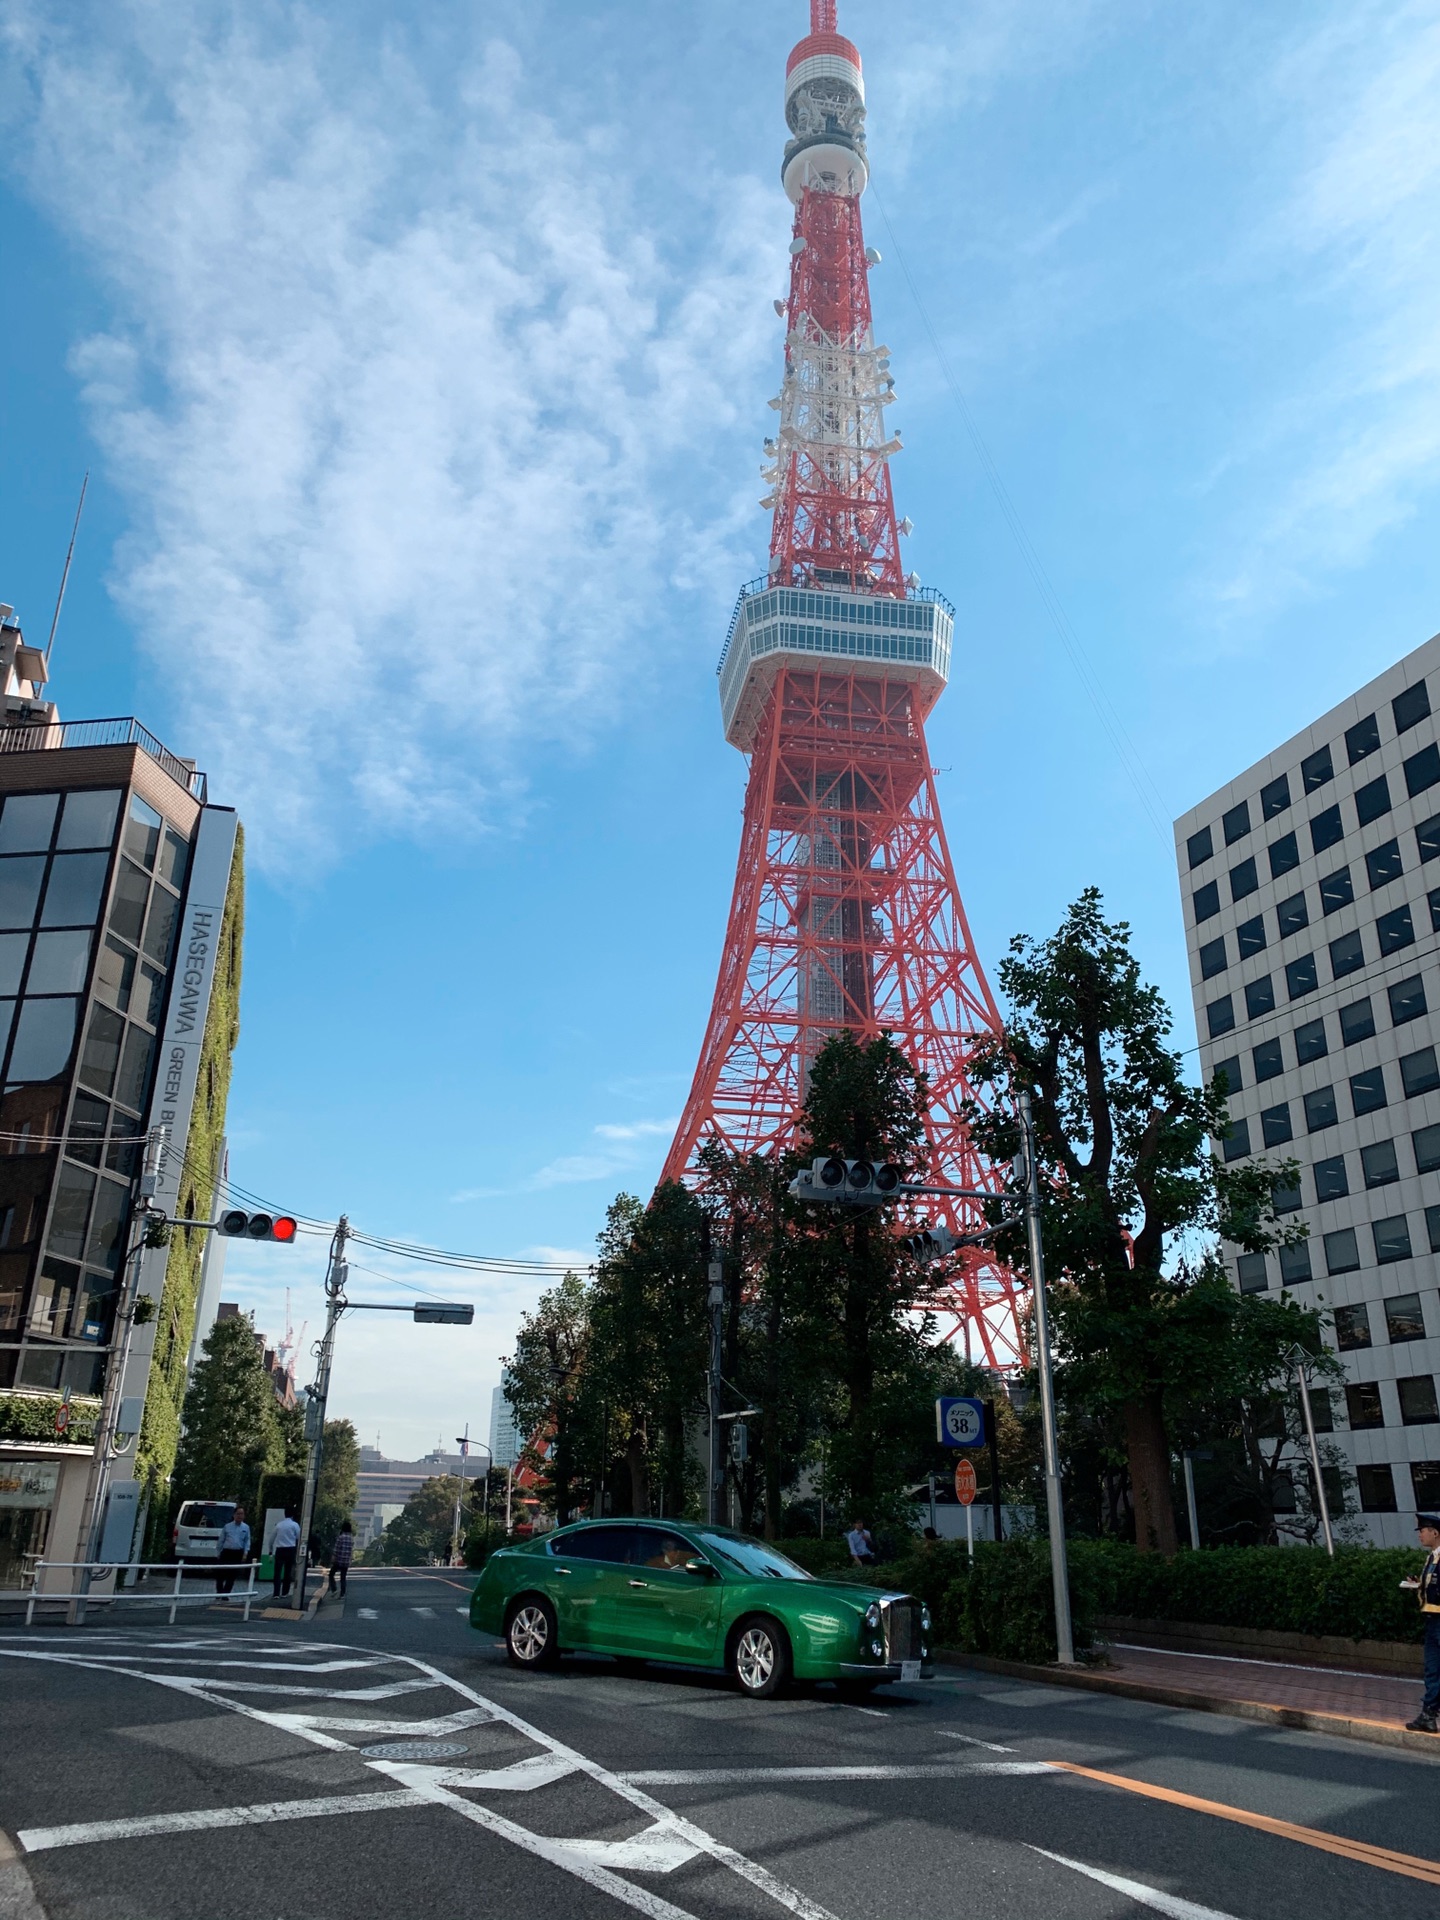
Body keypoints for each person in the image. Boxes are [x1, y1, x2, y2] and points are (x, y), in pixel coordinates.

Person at [1401, 1511, 1440, 1733]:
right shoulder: (1432, 1557)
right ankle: (1428, 1715)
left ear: (1435, 1533)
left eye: (1423, 1531)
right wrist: (1418, 1585)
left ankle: (1429, 1714)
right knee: (1432, 1670)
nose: (1420, 1535)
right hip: (1432, 1619)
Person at [215, 1506, 250, 1598]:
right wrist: (218, 1552)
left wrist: (245, 1553)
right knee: (221, 1574)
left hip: (237, 1553)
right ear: (234, 1515)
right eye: (238, 1514)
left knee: (232, 1575)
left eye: (241, 1514)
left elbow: (247, 1541)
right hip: (226, 1552)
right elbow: (221, 1540)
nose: (240, 1516)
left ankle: (226, 1593)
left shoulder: (246, 1527)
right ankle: (219, 1592)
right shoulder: (227, 1526)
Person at [271, 1510, 301, 1598]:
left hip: (280, 1549)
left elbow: (271, 1539)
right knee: (287, 1572)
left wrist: (270, 1550)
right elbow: (299, 1537)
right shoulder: (295, 1525)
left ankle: (276, 1593)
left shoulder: (279, 1525)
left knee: (277, 1572)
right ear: (292, 1515)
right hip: (290, 1549)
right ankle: (285, 1592)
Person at [328, 1521, 355, 1596]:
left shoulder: (341, 1537)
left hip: (338, 1560)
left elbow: (337, 1548)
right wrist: (350, 1559)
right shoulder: (351, 1539)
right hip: (346, 1561)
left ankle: (334, 1589)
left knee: (331, 1574)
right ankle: (342, 1593)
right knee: (343, 1577)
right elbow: (351, 1550)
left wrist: (333, 1557)